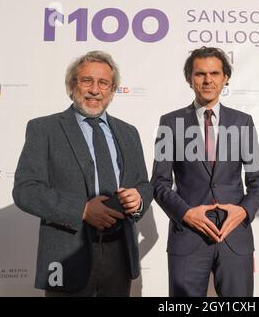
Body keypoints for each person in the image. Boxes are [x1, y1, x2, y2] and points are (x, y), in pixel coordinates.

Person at [12, 50, 153, 296]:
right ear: (71, 86)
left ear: (112, 90)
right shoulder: (44, 129)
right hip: (66, 255)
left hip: (120, 256)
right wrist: (83, 210)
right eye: (87, 80)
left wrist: (139, 198)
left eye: (103, 83)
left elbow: (143, 184)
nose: (94, 90)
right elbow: (26, 190)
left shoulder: (129, 133)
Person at [151, 46, 259, 297]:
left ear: (225, 78)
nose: (207, 80)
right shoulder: (169, 122)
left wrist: (244, 211)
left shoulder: (242, 122)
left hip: (235, 237)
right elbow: (159, 183)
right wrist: (186, 214)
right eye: (200, 74)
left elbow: (258, 181)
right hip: (188, 238)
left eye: (214, 73)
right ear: (189, 79)